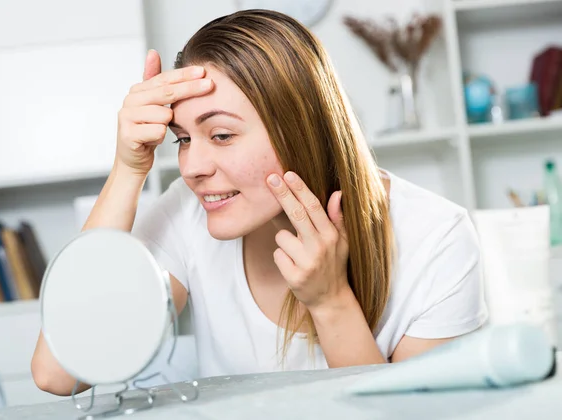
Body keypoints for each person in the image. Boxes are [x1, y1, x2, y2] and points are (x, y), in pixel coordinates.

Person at [31, 9, 488, 396]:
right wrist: (128, 170)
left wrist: (331, 303)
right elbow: (59, 372)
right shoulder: (189, 214)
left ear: (303, 127)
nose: (191, 167)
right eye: (184, 139)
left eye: (222, 135)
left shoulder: (436, 238)